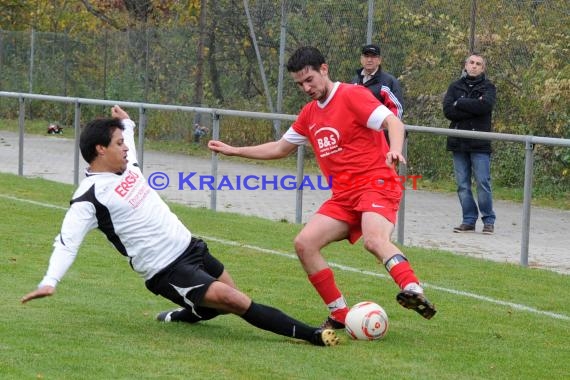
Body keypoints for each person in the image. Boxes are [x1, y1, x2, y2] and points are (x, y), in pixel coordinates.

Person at [20, 105, 339, 347]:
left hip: (191, 247)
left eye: (123, 142)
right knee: (235, 301)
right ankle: (312, 335)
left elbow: (128, 133)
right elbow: (66, 242)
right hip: (167, 271)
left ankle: (180, 314)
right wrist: (50, 280)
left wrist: (126, 122)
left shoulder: (127, 164)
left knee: (225, 301)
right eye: (118, 143)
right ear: (100, 150)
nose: (126, 147)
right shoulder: (88, 197)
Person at [208, 46, 436, 330]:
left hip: (376, 183)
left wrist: (395, 149)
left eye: (310, 80)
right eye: (300, 84)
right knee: (305, 243)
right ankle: (339, 313)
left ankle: (413, 289)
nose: (306, 87)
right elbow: (280, 148)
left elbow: (393, 121)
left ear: (324, 70)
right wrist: (235, 150)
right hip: (343, 196)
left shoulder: (352, 95)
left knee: (374, 240)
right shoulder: (309, 114)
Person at [443, 53, 496, 235]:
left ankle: (488, 220)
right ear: (465, 65)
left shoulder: (488, 87)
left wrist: (461, 103)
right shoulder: (454, 86)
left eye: (478, 64)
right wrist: (473, 106)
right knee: (463, 185)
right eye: (471, 63)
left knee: (482, 182)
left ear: (483, 68)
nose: (474, 66)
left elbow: (485, 107)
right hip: (458, 142)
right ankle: (468, 220)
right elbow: (449, 111)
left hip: (480, 143)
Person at [350, 44, 404, 146]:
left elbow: (397, 110)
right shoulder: (355, 81)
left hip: (381, 139)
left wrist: (386, 131)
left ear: (379, 60)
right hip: (358, 137)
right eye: (366, 56)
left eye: (373, 57)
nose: (369, 60)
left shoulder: (388, 82)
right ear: (361, 59)